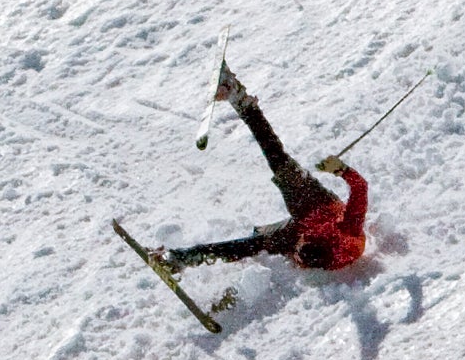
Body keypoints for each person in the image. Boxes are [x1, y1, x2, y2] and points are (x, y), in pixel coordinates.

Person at [158, 66, 368, 272]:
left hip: (305, 228)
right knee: (279, 161)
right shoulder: (348, 228)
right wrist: (340, 169)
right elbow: (360, 187)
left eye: (297, 251)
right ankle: (237, 95)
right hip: (317, 205)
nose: (297, 247)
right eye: (300, 245)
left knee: (254, 244)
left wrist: (296, 245)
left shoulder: (310, 248)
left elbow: (300, 248)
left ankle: (184, 257)